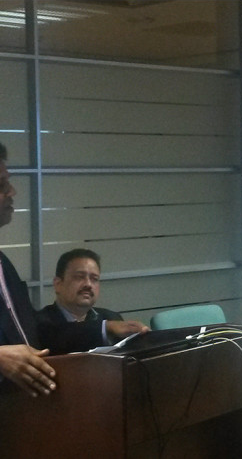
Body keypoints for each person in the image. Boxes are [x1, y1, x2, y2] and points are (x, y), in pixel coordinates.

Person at [0, 142, 57, 397]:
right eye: (2, 185)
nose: (12, 192)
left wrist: (102, 328)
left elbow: (29, 331)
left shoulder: (3, 264)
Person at [37, 248, 150, 354]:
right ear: (58, 284)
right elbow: (62, 338)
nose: (88, 284)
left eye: (94, 279)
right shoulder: (40, 323)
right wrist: (106, 327)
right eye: (79, 277)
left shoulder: (111, 317)